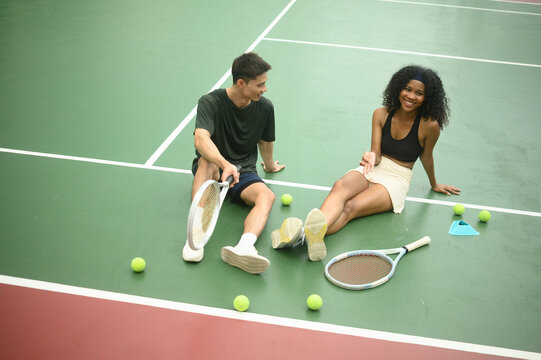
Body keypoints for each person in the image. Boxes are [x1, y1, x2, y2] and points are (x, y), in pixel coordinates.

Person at [271, 65, 461, 261]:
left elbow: (426, 156)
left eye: (419, 93)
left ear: (427, 97)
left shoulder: (429, 125)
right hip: (374, 167)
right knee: (340, 186)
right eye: (408, 89)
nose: (411, 96)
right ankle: (308, 235)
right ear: (398, 89)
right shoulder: (380, 114)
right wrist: (370, 156)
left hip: (397, 178)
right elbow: (376, 154)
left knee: (350, 207)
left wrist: (434, 183)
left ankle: (299, 234)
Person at [182, 52, 285, 274]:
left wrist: (269, 166)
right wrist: (223, 163)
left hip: (243, 172)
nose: (264, 89)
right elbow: (201, 139)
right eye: (260, 85)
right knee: (206, 163)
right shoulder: (211, 102)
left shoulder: (265, 108)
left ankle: (244, 247)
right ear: (241, 83)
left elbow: (265, 144)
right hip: (213, 167)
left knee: (267, 196)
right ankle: (195, 236)